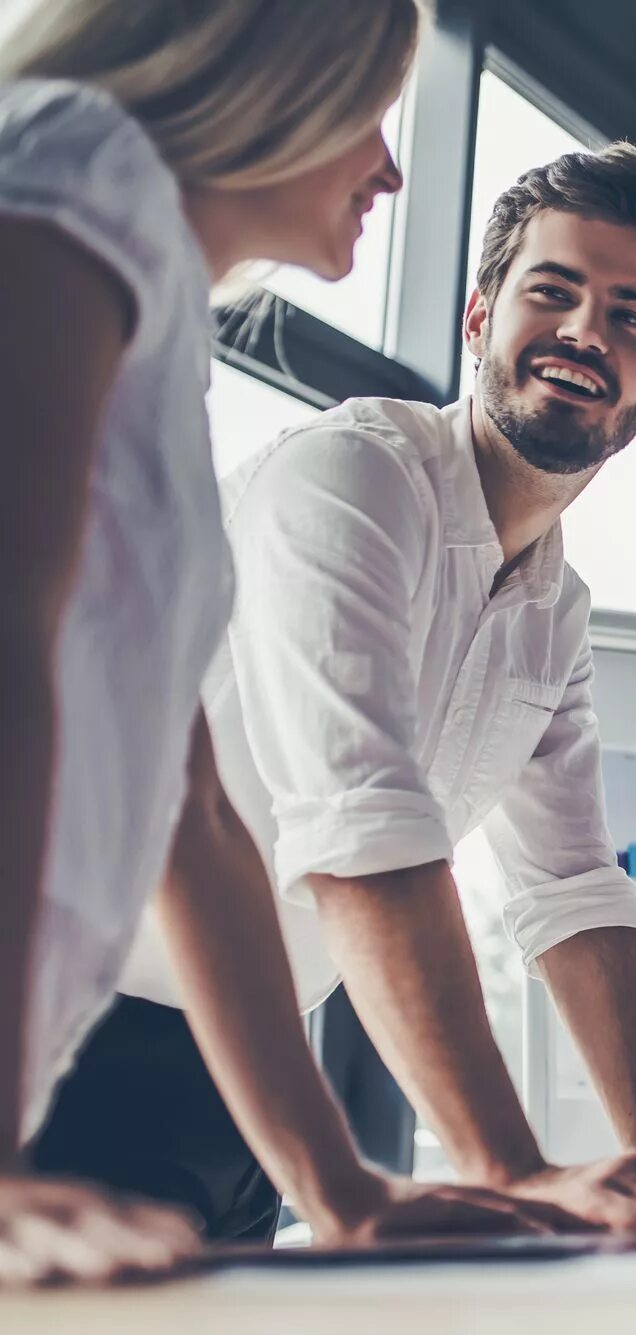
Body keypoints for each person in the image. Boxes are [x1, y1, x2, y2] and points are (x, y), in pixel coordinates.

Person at [43, 144, 636, 1240]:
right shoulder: (351, 478)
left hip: (249, 1085)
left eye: (630, 319)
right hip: (66, 1044)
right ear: (478, 317)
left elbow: (570, 891)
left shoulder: (555, 609)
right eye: (551, 293)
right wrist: (506, 1165)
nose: (581, 334)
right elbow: (355, 817)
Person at [0, 0, 552, 1288]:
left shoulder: (151, 327)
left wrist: (338, 1188)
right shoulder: (77, 167)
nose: (391, 168)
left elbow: (185, 808)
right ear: (273, 79)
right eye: (371, 111)